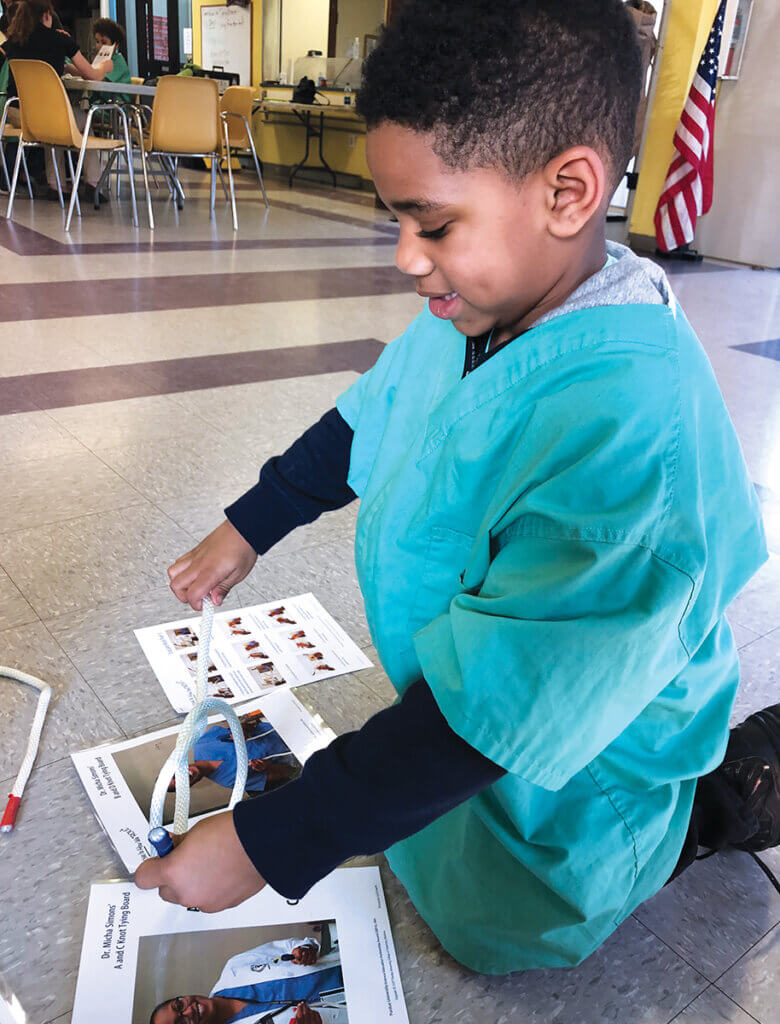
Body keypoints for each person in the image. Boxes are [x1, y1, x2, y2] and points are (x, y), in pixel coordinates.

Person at [135, 0, 779, 974]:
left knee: (523, 911)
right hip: (476, 697)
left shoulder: (632, 434)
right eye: (397, 217)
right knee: (443, 819)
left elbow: (500, 713)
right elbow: (365, 418)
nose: (403, 255)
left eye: (431, 222)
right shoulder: (475, 309)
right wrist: (248, 525)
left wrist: (265, 843)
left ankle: (725, 803)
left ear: (568, 192)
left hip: (592, 759)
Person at [1, 0, 114, 200]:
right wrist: (105, 66)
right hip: (48, 118)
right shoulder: (61, 40)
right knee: (84, 121)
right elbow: (93, 75)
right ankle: (93, 183)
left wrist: (66, 66)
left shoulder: (13, 43)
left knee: (49, 125)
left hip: (20, 115)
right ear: (46, 15)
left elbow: (43, 64)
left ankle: (56, 185)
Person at [149, 935, 347, 1024]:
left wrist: (305, 949)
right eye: (181, 1023)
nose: (189, 1010)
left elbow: (288, 946)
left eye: (179, 1005)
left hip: (351, 963)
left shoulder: (234, 968)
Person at [166, 721, 299, 794]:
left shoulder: (203, 744)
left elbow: (242, 722)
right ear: (190, 786)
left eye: (175, 775)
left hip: (281, 724)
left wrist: (242, 729)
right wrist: (268, 767)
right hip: (297, 750)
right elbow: (291, 772)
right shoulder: (231, 782)